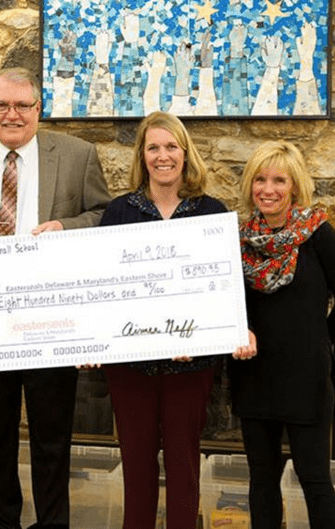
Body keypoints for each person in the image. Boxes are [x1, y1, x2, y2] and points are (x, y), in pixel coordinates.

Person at [0, 67, 111, 529]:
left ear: (40, 110)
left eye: (23, 105)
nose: (12, 114)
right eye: (2, 105)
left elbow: (104, 214)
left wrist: (66, 227)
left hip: (50, 323)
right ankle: (3, 522)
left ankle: (52, 524)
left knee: (51, 437)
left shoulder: (78, 156)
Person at [97, 111, 256, 529]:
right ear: (142, 155)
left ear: (185, 154)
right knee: (136, 463)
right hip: (130, 366)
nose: (162, 156)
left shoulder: (211, 213)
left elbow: (227, 288)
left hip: (192, 365)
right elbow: (103, 289)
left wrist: (213, 335)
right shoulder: (118, 212)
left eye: (171, 147)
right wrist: (91, 339)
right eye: (153, 147)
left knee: (185, 466)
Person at [230, 140, 335, 528]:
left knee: (315, 479)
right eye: (260, 179)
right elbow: (227, 302)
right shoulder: (237, 240)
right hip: (253, 376)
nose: (267, 189)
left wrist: (320, 341)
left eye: (279, 180)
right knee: (262, 480)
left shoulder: (318, 234)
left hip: (306, 379)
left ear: (294, 185)